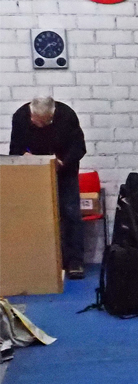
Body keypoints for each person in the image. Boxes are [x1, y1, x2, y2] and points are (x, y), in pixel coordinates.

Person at [9, 95, 87, 278]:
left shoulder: (67, 116)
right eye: (37, 122)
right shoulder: (20, 117)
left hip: (64, 171)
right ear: (31, 113)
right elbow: (15, 149)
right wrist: (23, 155)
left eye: (46, 122)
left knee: (70, 213)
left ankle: (74, 262)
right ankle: (40, 261)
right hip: (34, 174)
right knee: (36, 215)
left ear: (53, 114)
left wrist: (62, 162)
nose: (41, 126)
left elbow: (79, 148)